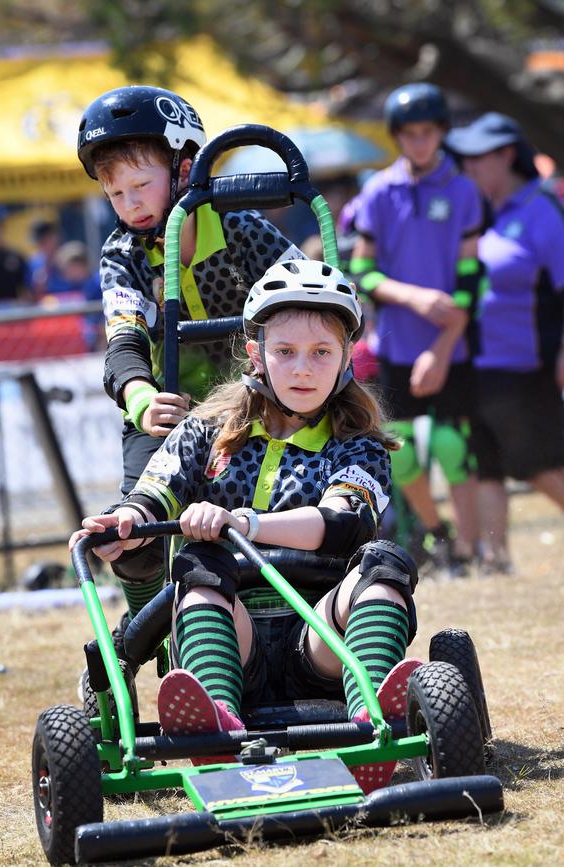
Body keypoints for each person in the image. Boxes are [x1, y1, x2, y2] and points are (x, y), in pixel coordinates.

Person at [71, 259, 422, 794]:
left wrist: (244, 523)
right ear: (257, 355)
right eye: (285, 352)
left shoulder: (357, 441)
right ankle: (215, 724)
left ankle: (372, 726)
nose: (303, 369)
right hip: (236, 637)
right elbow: (153, 493)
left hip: (321, 640)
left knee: (385, 564)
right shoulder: (204, 432)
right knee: (197, 565)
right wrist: (128, 525)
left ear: (346, 358)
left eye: (321, 353)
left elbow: (343, 523)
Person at [76, 85, 305, 634]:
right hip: (165, 405)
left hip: (255, 400)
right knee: (135, 531)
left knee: (275, 502)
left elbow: (308, 294)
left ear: (183, 169)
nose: (128, 202)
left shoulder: (239, 227)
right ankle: (147, 624)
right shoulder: (122, 253)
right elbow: (122, 338)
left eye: (139, 184)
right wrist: (139, 396)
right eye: (114, 192)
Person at [348, 83, 486, 575]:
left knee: (452, 449)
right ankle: (439, 534)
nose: (420, 142)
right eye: (410, 134)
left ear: (442, 133)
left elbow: (470, 280)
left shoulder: (464, 190)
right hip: (398, 344)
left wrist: (445, 346)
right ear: (398, 137)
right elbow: (361, 270)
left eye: (428, 133)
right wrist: (414, 297)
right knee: (401, 456)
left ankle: (472, 553)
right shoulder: (379, 192)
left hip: (455, 346)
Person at [444, 112, 564, 572]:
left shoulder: (543, 210)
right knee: (485, 461)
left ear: (507, 155)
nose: (468, 167)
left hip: (525, 364)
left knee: (536, 462)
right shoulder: (480, 212)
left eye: (477, 158)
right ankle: (495, 558)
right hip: (475, 360)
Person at [52, 240, 104, 351]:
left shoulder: (97, 283)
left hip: (104, 340)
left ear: (78, 265)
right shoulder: (82, 285)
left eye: (67, 268)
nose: (65, 273)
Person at [26, 219, 69, 300]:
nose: (46, 244)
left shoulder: (70, 257)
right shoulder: (33, 263)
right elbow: (29, 293)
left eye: (48, 239)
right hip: (45, 306)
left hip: (71, 302)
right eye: (42, 242)